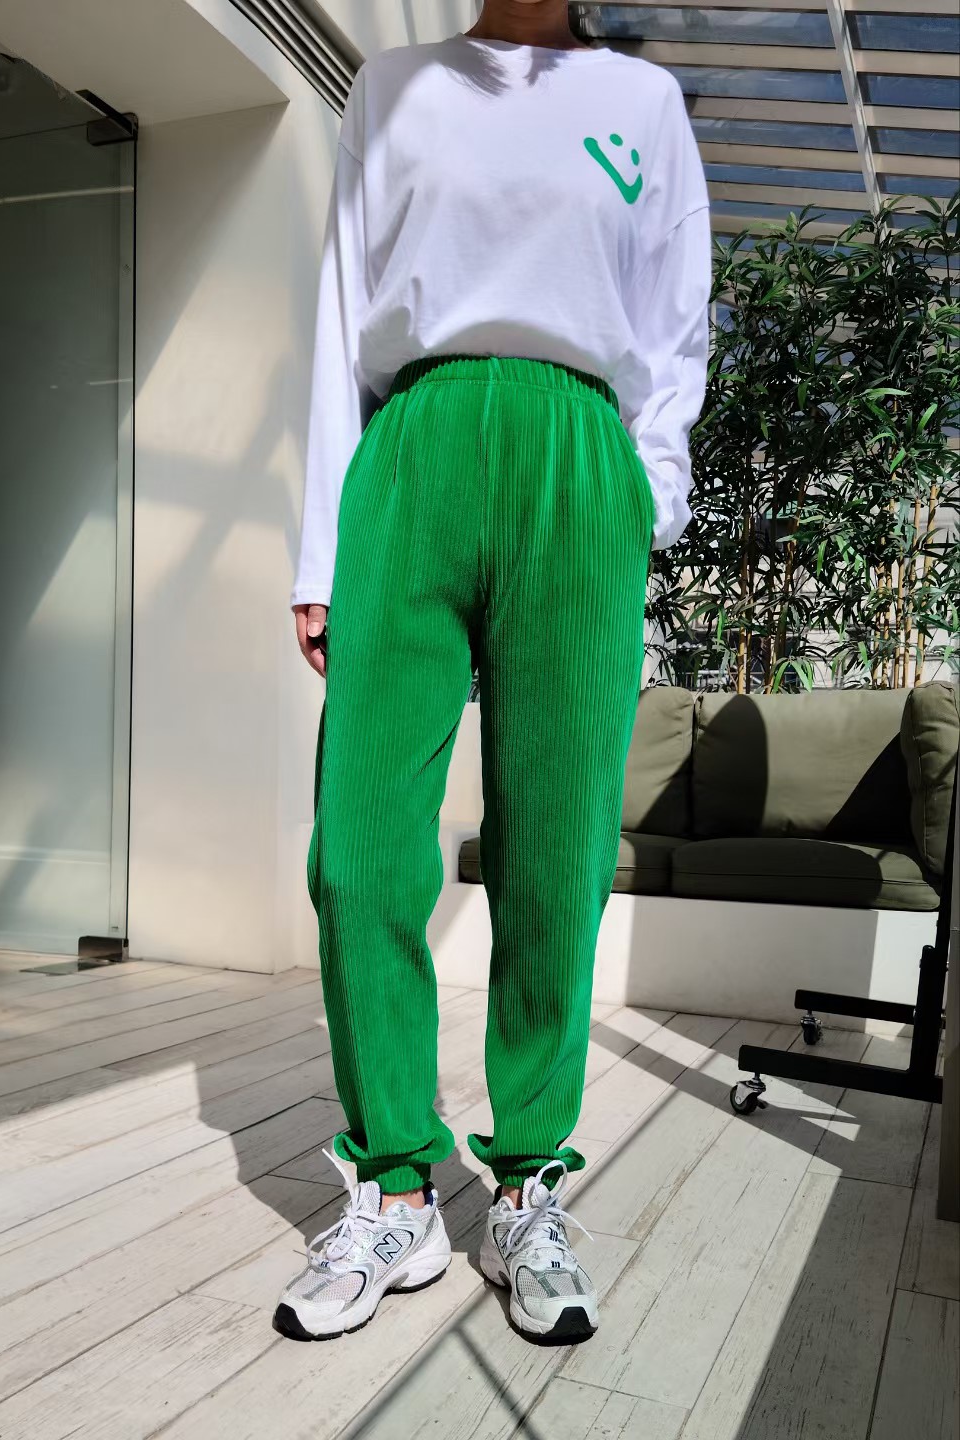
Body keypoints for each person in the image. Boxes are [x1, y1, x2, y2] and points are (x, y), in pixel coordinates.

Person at [279, 0, 711, 1343]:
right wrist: (318, 550)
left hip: (577, 463)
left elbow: (674, 325)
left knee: (555, 850)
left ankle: (527, 1182)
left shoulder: (641, 105)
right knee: (359, 846)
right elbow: (339, 311)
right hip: (411, 450)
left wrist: (640, 500)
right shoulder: (392, 84)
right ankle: (396, 1186)